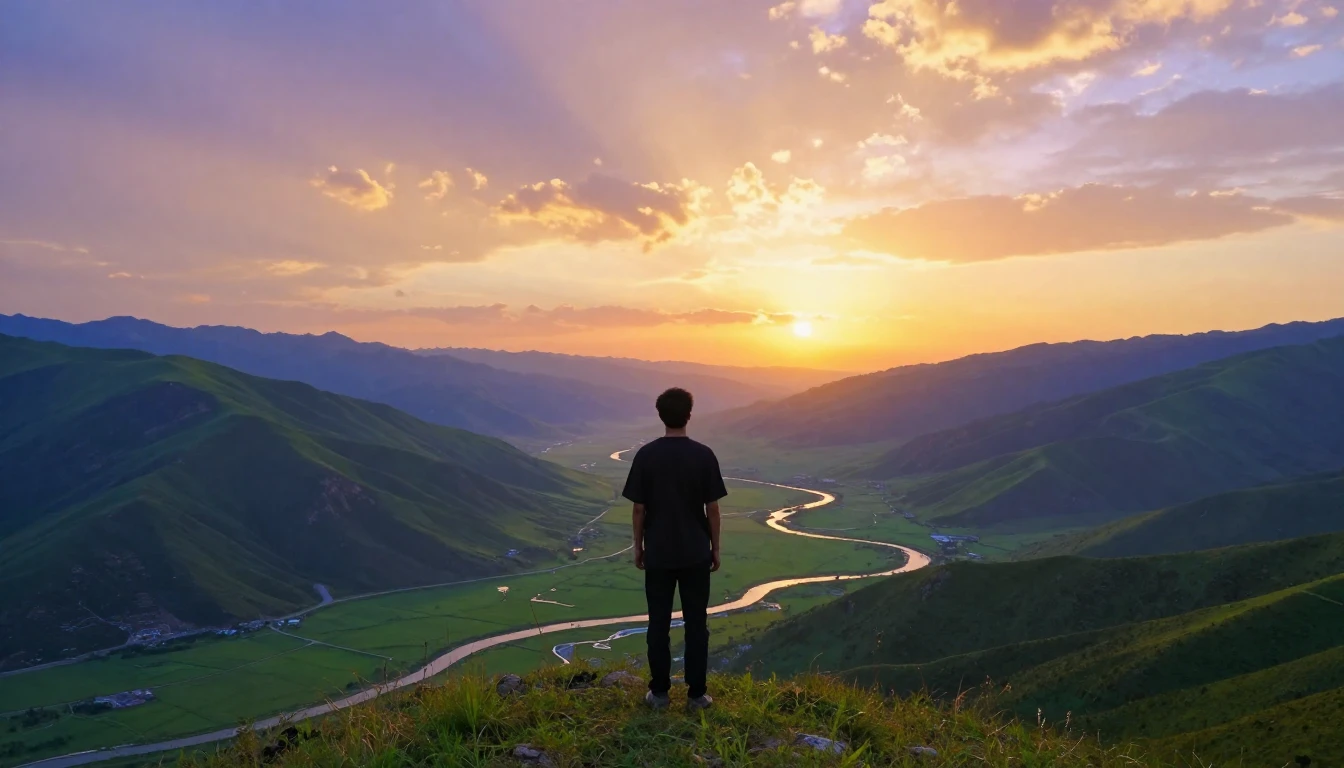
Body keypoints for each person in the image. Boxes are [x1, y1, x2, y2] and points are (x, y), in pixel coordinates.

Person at [621, 387, 727, 712]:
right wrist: (715, 549)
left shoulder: (646, 455)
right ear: (689, 415)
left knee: (658, 624)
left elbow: (638, 509)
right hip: (696, 553)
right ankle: (697, 695)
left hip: (659, 554)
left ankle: (660, 693)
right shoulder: (704, 455)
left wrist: (638, 547)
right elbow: (713, 509)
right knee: (697, 624)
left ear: (660, 415)